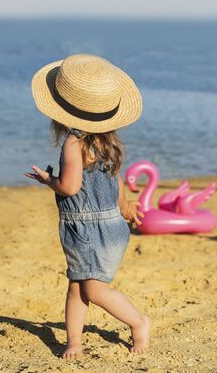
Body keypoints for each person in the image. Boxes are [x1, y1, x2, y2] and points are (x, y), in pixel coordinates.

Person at [25, 54, 151, 359]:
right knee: (77, 285)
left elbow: (70, 187)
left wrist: (48, 181)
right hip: (108, 226)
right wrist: (124, 207)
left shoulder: (73, 143)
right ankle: (74, 342)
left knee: (92, 290)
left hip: (88, 230)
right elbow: (115, 180)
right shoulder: (106, 140)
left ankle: (139, 322)